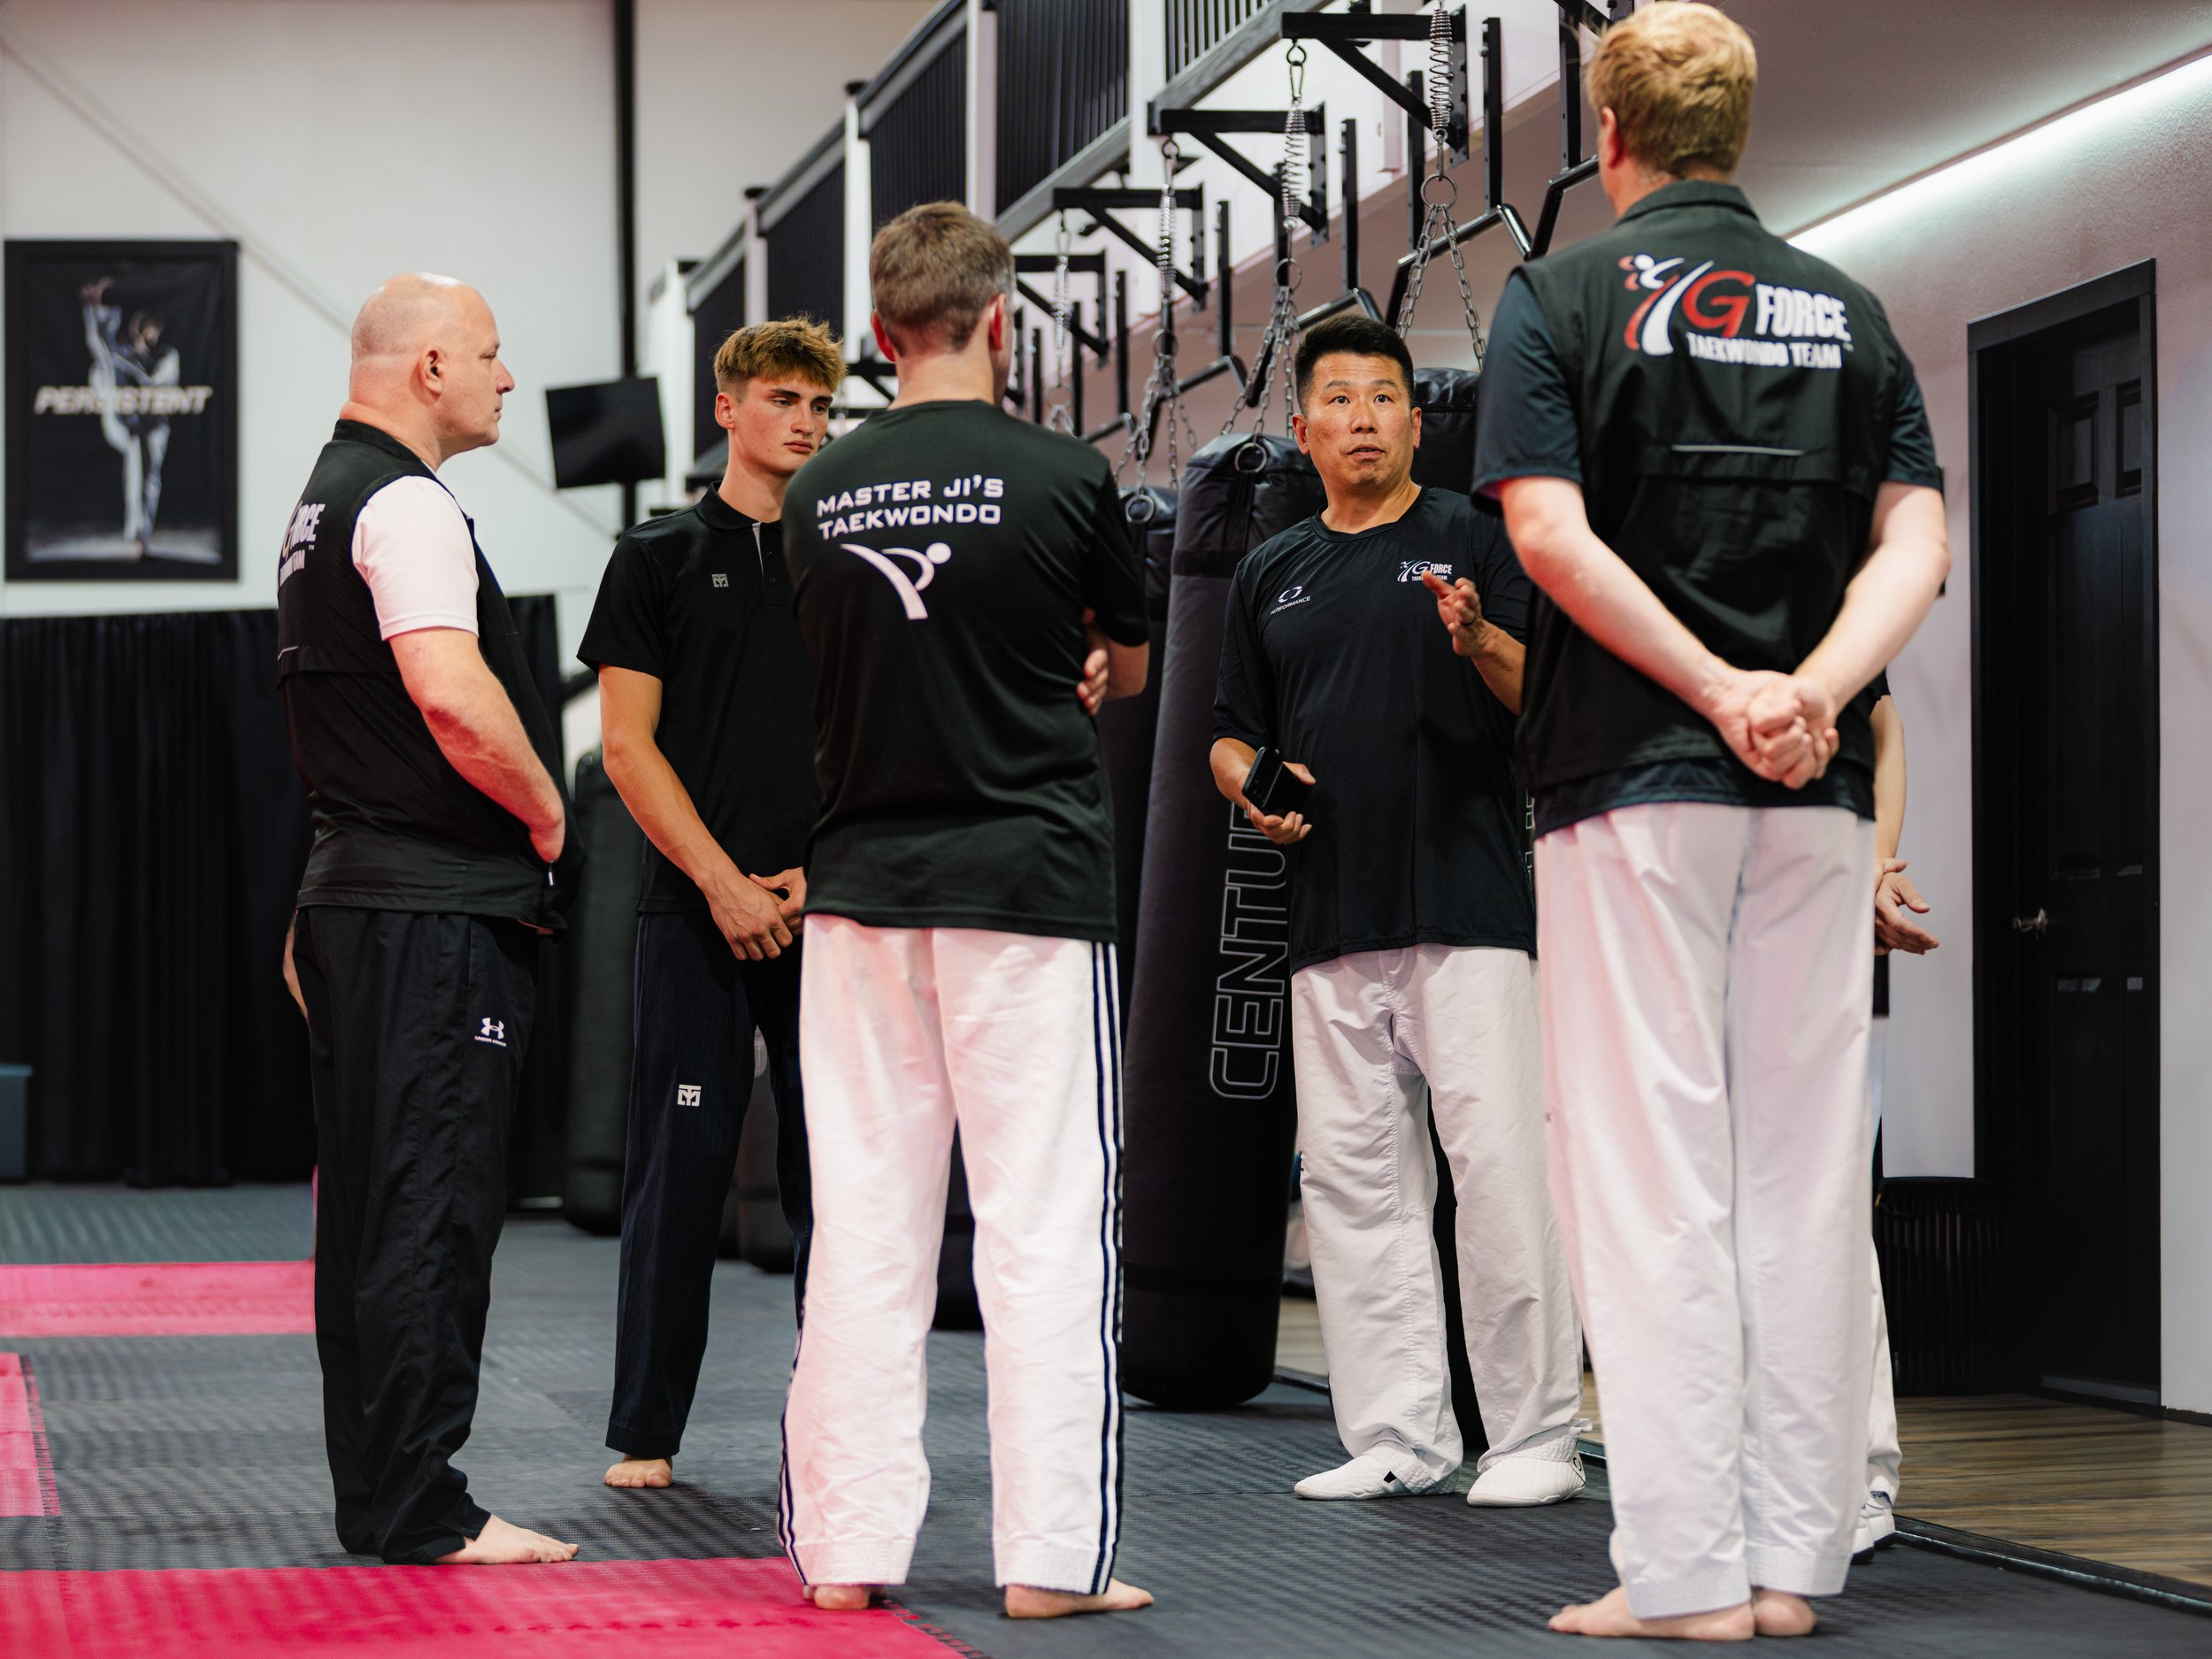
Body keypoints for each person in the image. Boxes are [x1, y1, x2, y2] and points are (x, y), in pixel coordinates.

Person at [1466, 6, 1949, 1638]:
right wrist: (1801, 688)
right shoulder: (1851, 309)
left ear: (1609, 136)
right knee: (1806, 1176)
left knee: (1652, 1170)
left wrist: (1722, 687)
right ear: (1737, 131)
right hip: (1808, 798)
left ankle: (1682, 1576)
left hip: (1630, 787)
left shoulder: (1559, 294)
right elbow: (1919, 549)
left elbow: (1543, 534)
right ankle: (1792, 1567)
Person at [776, 201, 1152, 1621]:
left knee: (866, 1222)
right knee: (1045, 1221)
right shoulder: (1065, 475)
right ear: (1003, 320)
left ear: (878, 336)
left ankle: (849, 1554)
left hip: (863, 892)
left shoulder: (815, 491)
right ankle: (1051, 1560)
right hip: (1027, 889)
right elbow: (1121, 639)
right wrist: (1087, 664)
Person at [1208, 311, 1584, 1509]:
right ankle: (1398, 1432)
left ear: (1417, 420)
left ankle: (1535, 1436)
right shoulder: (1272, 568)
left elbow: (1547, 699)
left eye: (1384, 396)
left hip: (1467, 908)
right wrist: (1255, 787)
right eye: (1341, 398)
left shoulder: (1475, 535)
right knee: (1359, 1189)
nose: (1363, 416)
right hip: (1329, 917)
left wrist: (1477, 638)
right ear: (1306, 426)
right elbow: (1226, 734)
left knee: (1499, 1172)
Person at [277, 273, 580, 1567]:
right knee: (429, 1203)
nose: (510, 380)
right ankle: (420, 1504)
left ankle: (385, 1493)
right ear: (435, 364)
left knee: (373, 1207)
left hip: (365, 901)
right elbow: (448, 695)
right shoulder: (404, 500)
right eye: (496, 357)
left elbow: (346, 724)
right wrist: (551, 812)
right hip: (431, 916)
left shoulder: (319, 502)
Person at [580, 319, 841, 1493]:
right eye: (783, 398)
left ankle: (837, 1418)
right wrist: (722, 882)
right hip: (692, 913)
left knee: (831, 1180)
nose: (806, 421)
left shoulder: (846, 562)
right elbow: (626, 749)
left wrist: (815, 875)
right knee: (678, 1166)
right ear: (727, 408)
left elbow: (881, 737)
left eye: (821, 405)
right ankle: (645, 1429)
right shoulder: (657, 556)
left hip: (826, 908)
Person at [1858, 680, 1939, 1558]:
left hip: (1807, 919)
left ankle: (1860, 1473)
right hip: (1677, 927)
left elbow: (1879, 727)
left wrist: (1874, 861)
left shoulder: (1822, 580)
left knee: (1825, 1215)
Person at [81, 276, 178, 555]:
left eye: (150, 330)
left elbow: (154, 380)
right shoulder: (123, 354)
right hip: (129, 426)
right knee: (138, 466)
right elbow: (98, 346)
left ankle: (142, 533)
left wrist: (132, 359)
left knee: (150, 477)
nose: (146, 334)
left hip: (156, 426)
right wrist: (93, 308)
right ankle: (137, 532)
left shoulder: (166, 356)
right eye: (141, 329)